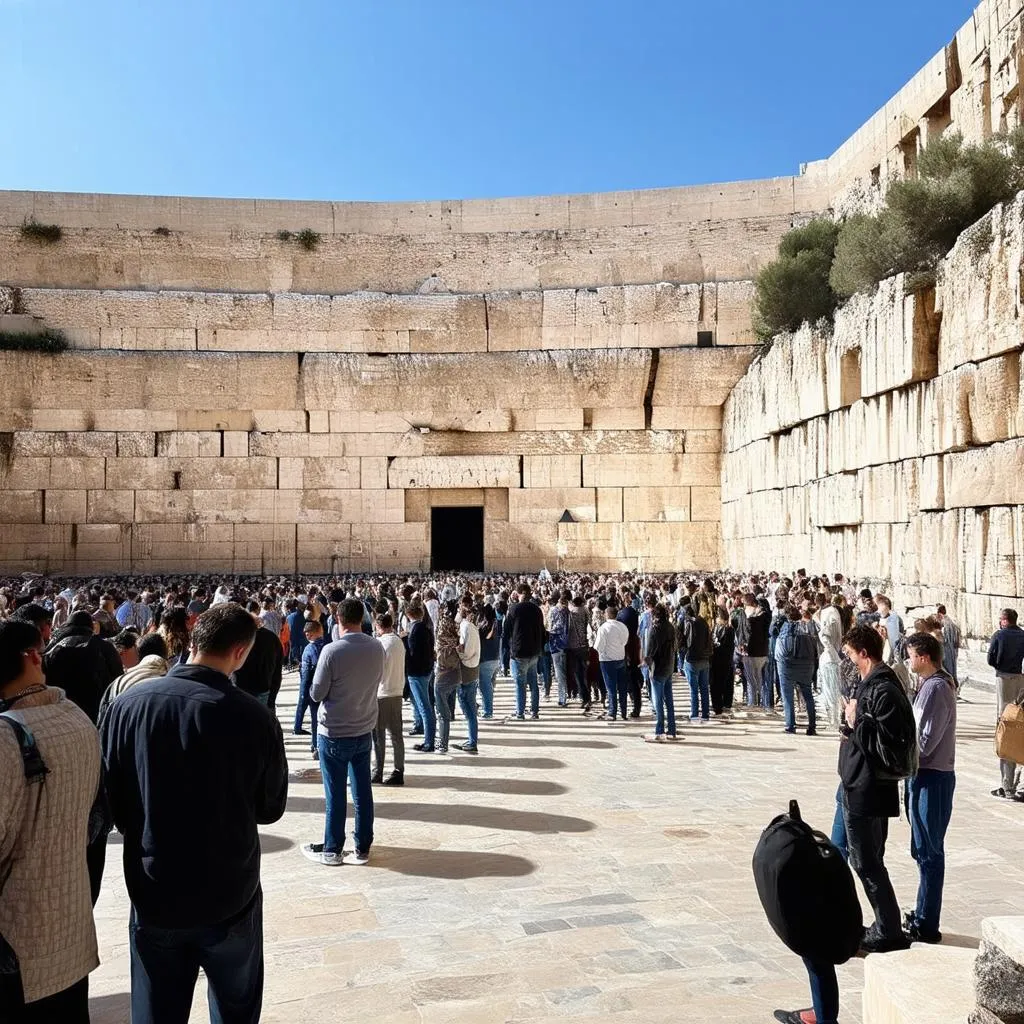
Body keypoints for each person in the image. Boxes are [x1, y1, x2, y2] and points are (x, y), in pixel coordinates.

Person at [100, 603, 288, 1024]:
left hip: (155, 888)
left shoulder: (127, 706)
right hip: (228, 893)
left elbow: (112, 799)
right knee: (235, 1009)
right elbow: (270, 809)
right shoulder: (254, 717)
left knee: (155, 1010)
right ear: (240, 653)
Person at [0, 619, 101, 1023]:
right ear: (35, 657)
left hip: (17, 941)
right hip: (71, 926)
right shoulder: (75, 718)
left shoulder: (7, 739)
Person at [839, 625, 911, 953]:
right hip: (858, 785)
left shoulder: (884, 689)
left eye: (851, 655)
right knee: (862, 857)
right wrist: (851, 723)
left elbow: (890, 744)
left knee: (867, 861)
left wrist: (857, 721)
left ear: (864, 653)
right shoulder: (874, 684)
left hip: (868, 789)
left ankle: (888, 929)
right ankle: (884, 925)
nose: (850, 661)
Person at [303, 598, 383, 866]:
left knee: (335, 794)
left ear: (338, 619)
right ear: (362, 619)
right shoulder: (376, 647)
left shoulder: (331, 651)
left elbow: (316, 693)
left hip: (334, 732)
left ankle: (332, 849)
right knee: (363, 793)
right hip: (363, 729)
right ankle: (362, 847)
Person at [903, 631, 957, 944]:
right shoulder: (929, 686)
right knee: (922, 849)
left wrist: (901, 758)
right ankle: (923, 913)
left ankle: (927, 923)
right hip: (922, 775)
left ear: (923, 656)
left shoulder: (937, 688)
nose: (909, 661)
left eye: (911, 655)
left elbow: (927, 738)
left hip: (933, 777)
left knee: (930, 851)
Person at [41, 608, 123, 725]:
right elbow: (117, 680)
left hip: (60, 716)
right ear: (90, 626)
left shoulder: (53, 648)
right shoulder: (104, 647)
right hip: (97, 715)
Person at [987, 607, 1024, 800]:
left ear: (1004, 620)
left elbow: (990, 658)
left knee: (1005, 726)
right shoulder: (1022, 635)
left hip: (1003, 677)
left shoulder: (999, 635)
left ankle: (1007, 785)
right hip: (1019, 677)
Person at [97, 632, 170, 723]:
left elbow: (104, 722)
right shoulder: (175, 684)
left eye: (121, 652)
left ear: (137, 653)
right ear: (165, 655)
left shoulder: (119, 683)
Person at [373, 612, 406, 785]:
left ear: (378, 626)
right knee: (396, 735)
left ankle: (378, 770)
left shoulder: (380, 643)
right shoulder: (398, 641)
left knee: (378, 736)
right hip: (397, 690)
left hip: (382, 692)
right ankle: (398, 770)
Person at [504, 583, 544, 722]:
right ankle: (534, 711)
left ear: (518, 593)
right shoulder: (537, 609)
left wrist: (508, 649)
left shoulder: (513, 609)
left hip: (519, 652)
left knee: (520, 684)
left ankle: (520, 713)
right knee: (533, 683)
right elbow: (542, 630)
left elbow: (506, 631)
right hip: (534, 651)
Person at [776, 605, 818, 736]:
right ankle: (812, 726)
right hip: (806, 664)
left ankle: (790, 725)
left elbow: (773, 635)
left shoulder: (784, 627)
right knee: (808, 695)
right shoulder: (807, 626)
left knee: (787, 696)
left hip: (786, 664)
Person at [234, 600, 284, 709]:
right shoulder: (271, 638)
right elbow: (277, 671)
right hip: (262, 689)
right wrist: (272, 697)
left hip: (244, 690)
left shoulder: (239, 638)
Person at [644, 603, 678, 741]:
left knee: (658, 701)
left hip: (658, 668)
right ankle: (672, 729)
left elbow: (651, 650)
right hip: (669, 666)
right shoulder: (670, 626)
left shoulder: (655, 629)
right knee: (669, 700)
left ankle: (660, 730)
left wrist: (646, 663)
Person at [405, 601, 437, 751]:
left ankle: (429, 742)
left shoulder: (415, 630)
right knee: (425, 705)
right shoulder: (426, 628)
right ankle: (427, 738)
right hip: (426, 670)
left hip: (417, 672)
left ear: (408, 615)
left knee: (425, 707)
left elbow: (412, 653)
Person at [295, 618, 327, 756]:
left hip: (314, 689)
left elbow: (306, 675)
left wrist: (303, 694)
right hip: (329, 688)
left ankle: (315, 745)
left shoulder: (309, 649)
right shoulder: (329, 645)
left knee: (315, 720)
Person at [594, 604, 629, 723]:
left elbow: (599, 646)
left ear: (607, 614)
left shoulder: (603, 628)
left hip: (607, 660)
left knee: (611, 688)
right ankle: (624, 711)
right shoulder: (623, 626)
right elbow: (624, 641)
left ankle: (612, 712)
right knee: (622, 687)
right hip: (620, 657)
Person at [454, 600, 481, 753]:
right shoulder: (468, 627)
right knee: (467, 706)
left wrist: (457, 651)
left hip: (468, 670)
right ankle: (471, 739)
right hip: (469, 669)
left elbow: (468, 652)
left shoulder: (467, 627)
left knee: (469, 708)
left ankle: (472, 741)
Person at [680, 603, 712, 723]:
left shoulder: (689, 623)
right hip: (704, 658)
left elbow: (687, 641)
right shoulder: (703, 622)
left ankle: (694, 713)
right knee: (704, 688)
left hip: (692, 659)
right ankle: (705, 713)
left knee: (694, 689)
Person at [818, 596, 844, 730]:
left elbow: (825, 637)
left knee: (831, 691)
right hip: (831, 657)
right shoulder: (833, 613)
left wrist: (833, 653)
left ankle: (834, 720)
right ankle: (833, 719)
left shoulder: (830, 614)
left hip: (831, 658)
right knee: (830, 691)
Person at [476, 604, 501, 720]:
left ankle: (488, 711)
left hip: (485, 659)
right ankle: (487, 709)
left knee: (485, 688)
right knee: (489, 687)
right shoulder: (495, 624)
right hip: (495, 658)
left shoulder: (484, 626)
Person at [710, 605, 735, 716]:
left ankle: (722, 704)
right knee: (717, 683)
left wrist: (715, 646)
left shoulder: (728, 630)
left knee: (721, 683)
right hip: (716, 659)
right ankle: (718, 704)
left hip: (723, 660)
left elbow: (726, 647)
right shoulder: (716, 627)